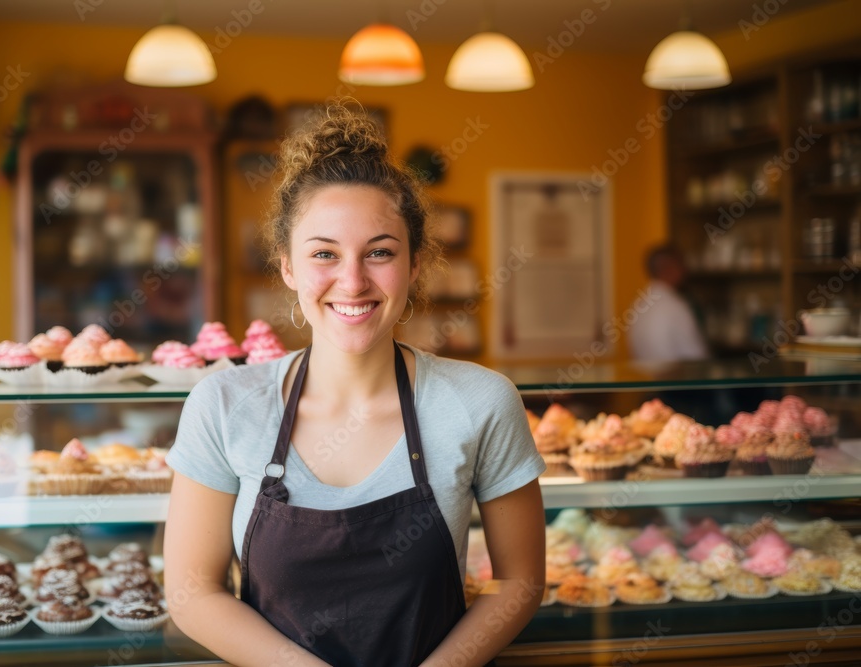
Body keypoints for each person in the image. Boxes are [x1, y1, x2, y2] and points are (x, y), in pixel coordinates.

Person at [164, 104, 546, 666]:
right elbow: (192, 593)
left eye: (380, 253)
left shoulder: (481, 401)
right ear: (288, 267)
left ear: (414, 264)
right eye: (324, 254)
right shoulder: (222, 405)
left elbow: (520, 582)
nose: (353, 281)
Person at [628, 245, 709, 363]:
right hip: (676, 378)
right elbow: (697, 357)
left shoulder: (638, 304)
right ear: (669, 268)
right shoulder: (676, 305)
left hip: (647, 379)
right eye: (681, 264)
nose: (686, 270)